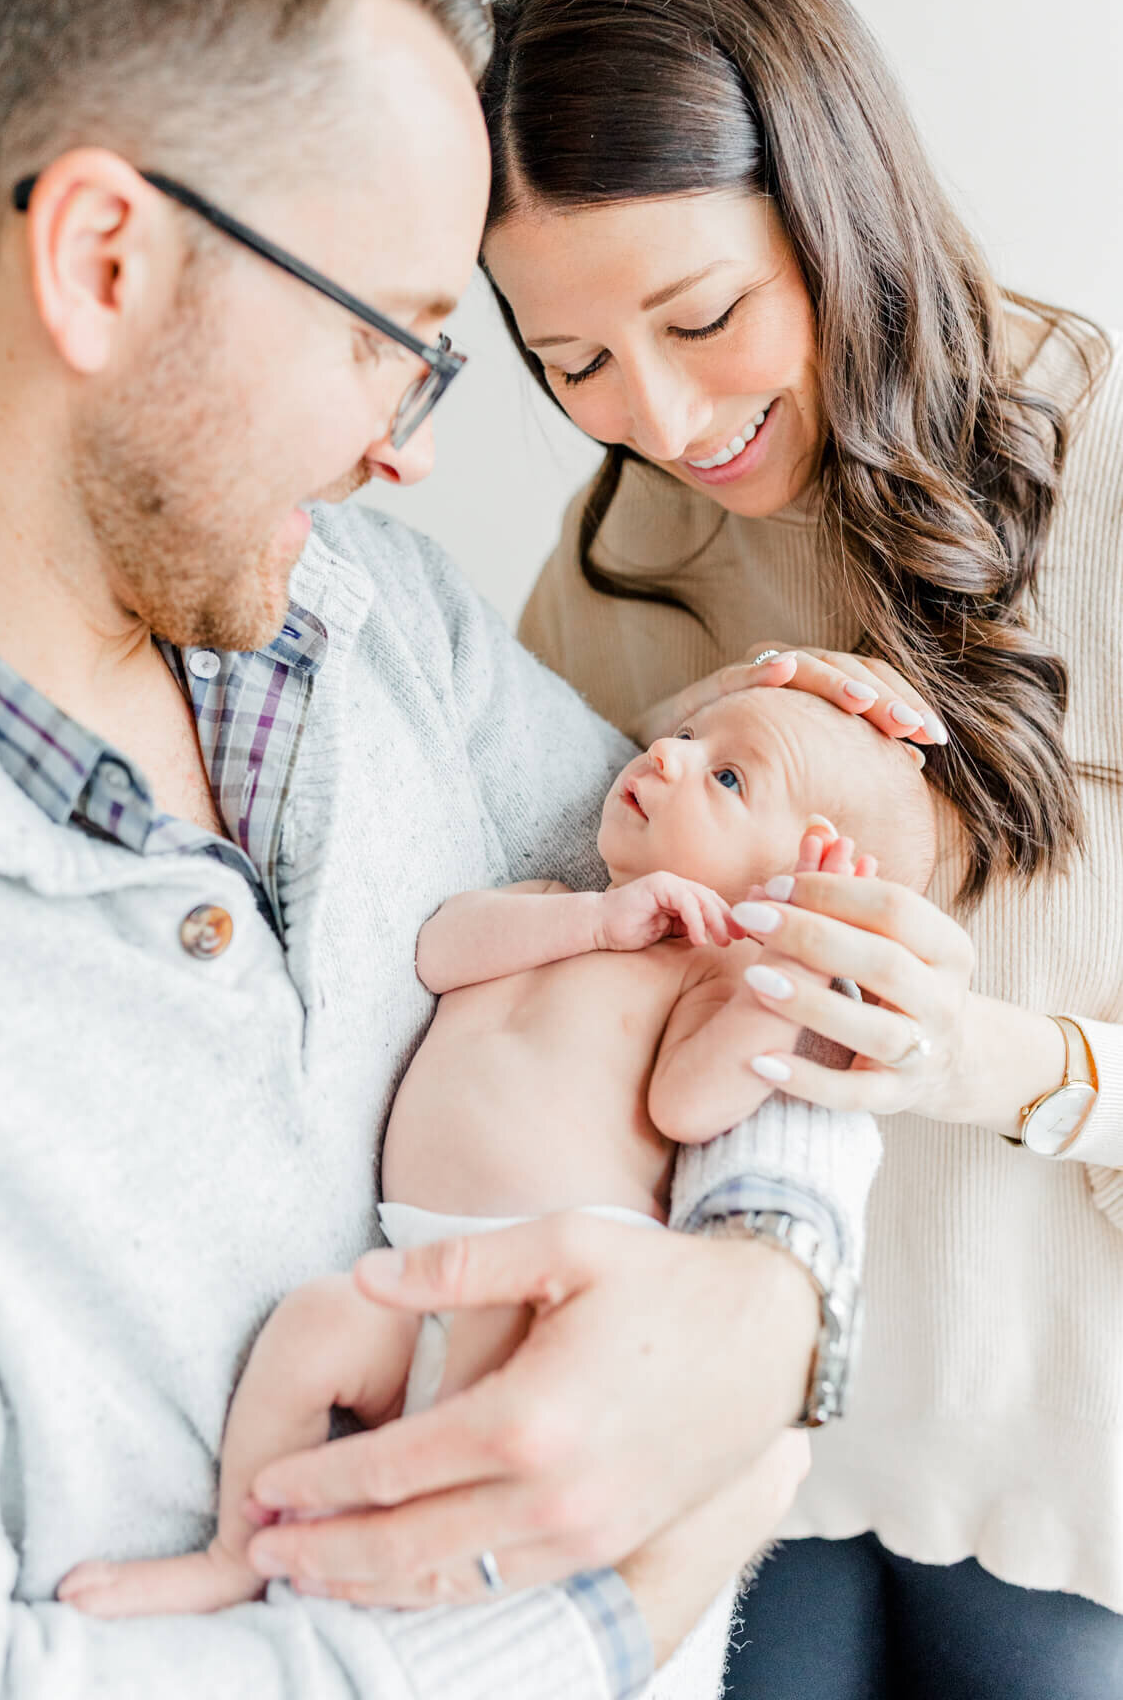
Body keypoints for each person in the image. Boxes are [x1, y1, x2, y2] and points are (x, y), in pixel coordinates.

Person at [0, 0, 884, 1700]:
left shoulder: (365, 610)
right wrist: (605, 1612)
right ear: (104, 260)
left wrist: (772, 1290)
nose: (415, 446)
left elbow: (760, 937)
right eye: (390, 331)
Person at [479, 0, 1123, 1700]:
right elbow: (541, 977)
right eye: (568, 359)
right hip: (751, 1418)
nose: (659, 422)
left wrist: (980, 1060)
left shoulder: (1098, 472)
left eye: (697, 322)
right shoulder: (616, 563)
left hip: (1052, 1430)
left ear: (830, 201)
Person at [55, 689, 934, 1622]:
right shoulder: (551, 906)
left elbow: (691, 1104)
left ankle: (367, 1609)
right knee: (312, 1330)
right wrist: (597, 922)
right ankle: (241, 1550)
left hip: (547, 1313)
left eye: (726, 776)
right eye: (682, 734)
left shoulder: (707, 985)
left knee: (470, 1545)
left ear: (785, 888)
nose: (668, 757)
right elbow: (439, 951)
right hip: (416, 1283)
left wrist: (781, 983)